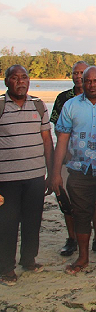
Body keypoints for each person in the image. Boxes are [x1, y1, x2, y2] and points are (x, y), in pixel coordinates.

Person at [50, 66, 96, 274]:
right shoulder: (70, 105)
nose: (92, 85)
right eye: (88, 81)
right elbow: (62, 140)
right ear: (82, 81)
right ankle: (83, 258)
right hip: (79, 171)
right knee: (81, 215)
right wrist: (55, 173)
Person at [0, 65, 54, 286]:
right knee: (7, 224)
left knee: (33, 221)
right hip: (6, 179)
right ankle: (6, 269)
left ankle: (29, 260)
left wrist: (51, 174)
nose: (21, 82)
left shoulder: (39, 105)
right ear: (7, 82)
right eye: (15, 78)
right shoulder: (1, 106)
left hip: (34, 177)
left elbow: (47, 140)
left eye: (24, 77)